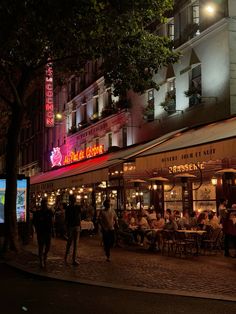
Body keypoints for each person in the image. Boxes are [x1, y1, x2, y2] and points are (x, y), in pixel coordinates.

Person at [33, 199, 53, 269]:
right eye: (44, 204)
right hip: (41, 232)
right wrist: (37, 229)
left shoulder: (49, 212)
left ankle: (45, 255)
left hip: (48, 232)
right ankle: (41, 261)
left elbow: (52, 221)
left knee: (48, 247)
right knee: (41, 247)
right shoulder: (38, 213)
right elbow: (35, 222)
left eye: (46, 204)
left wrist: (52, 231)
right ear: (42, 205)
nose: (45, 205)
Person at [64, 195, 82, 266]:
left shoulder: (70, 207)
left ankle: (69, 258)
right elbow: (79, 217)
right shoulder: (75, 207)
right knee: (73, 243)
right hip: (73, 226)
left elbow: (78, 216)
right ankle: (71, 259)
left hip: (73, 226)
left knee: (71, 243)